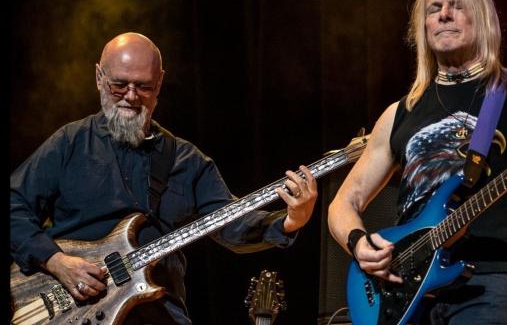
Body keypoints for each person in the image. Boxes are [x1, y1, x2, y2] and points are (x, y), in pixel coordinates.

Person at [10, 32, 318, 324]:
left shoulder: (187, 161)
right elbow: (14, 204)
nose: (130, 97)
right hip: (76, 311)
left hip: (157, 312)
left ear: (159, 83)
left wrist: (291, 220)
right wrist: (55, 261)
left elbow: (232, 225)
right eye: (119, 85)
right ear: (98, 78)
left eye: (143, 87)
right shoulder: (70, 142)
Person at [328, 0, 507, 324]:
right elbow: (344, 202)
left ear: (483, 18)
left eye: (457, 6)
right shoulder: (400, 112)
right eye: (434, 8)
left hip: (487, 280)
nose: (444, 15)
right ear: (423, 26)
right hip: (403, 287)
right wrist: (358, 242)